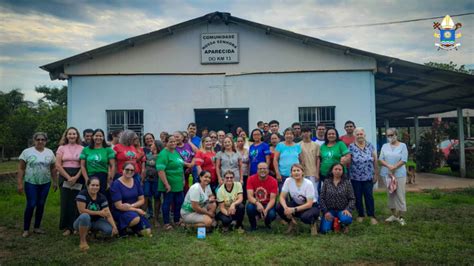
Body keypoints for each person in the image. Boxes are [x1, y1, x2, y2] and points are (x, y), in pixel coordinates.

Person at [18, 132, 57, 237]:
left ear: (45, 141)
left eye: (42, 139)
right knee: (31, 204)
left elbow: (53, 168)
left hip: (45, 183)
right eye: (38, 139)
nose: (40, 141)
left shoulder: (50, 152)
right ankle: (26, 229)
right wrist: (20, 183)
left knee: (41, 204)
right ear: (34, 140)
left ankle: (37, 227)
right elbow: (21, 168)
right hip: (31, 182)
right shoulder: (26, 152)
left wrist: (55, 181)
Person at [74, 177, 118, 251]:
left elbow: (107, 213)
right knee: (85, 216)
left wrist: (114, 227)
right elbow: (81, 211)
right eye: (93, 185)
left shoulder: (102, 197)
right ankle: (83, 240)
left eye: (97, 185)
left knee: (109, 231)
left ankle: (92, 232)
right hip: (82, 221)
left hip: (96, 221)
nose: (95, 187)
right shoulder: (82, 194)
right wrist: (99, 212)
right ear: (88, 186)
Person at [110, 163, 152, 237]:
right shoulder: (116, 184)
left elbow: (142, 200)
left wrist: (131, 206)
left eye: (132, 170)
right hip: (120, 211)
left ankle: (132, 228)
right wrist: (136, 210)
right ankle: (120, 228)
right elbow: (119, 206)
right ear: (122, 170)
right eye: (127, 169)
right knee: (135, 218)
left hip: (132, 210)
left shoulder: (136, 182)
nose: (129, 172)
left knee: (147, 232)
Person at [56, 127, 84, 236]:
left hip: (78, 175)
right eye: (70, 134)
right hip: (64, 176)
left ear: (77, 136)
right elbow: (58, 165)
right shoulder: (61, 148)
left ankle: (76, 226)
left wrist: (76, 177)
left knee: (77, 201)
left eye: (74, 134)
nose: (72, 136)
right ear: (66, 135)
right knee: (66, 202)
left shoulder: (82, 148)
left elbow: (83, 165)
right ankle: (67, 227)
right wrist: (68, 177)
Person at [277, 164, 319, 235]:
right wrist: (286, 208)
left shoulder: (308, 183)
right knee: (279, 207)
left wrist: (293, 210)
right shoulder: (288, 181)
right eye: (294, 171)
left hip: (311, 206)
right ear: (291, 173)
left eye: (298, 170)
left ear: (302, 172)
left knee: (305, 217)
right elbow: (281, 197)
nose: (296, 172)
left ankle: (313, 223)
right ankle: (291, 223)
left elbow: (309, 204)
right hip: (296, 204)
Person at [379, 128, 408, 226]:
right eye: (388, 135)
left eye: (392, 135)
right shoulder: (384, 146)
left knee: (400, 194)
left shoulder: (403, 146)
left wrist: (394, 167)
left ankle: (400, 217)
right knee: (390, 194)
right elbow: (381, 159)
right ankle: (394, 215)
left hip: (399, 174)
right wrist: (389, 166)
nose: (390, 137)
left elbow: (404, 159)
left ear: (396, 134)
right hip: (386, 174)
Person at [349, 127, 378, 225]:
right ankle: (361, 214)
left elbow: (375, 160)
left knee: (369, 196)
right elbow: (348, 160)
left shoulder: (370, 145)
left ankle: (371, 215)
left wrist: (376, 173)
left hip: (368, 176)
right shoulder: (351, 147)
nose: (359, 136)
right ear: (354, 136)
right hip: (355, 177)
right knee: (357, 196)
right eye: (357, 134)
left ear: (364, 135)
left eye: (361, 134)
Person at [156, 135, 185, 230]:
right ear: (166, 143)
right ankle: (166, 223)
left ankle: (177, 220)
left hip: (178, 183)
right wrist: (166, 184)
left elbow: (181, 166)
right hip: (168, 183)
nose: (173, 143)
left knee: (179, 202)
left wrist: (183, 179)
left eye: (174, 141)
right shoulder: (163, 154)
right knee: (167, 203)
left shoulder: (176, 152)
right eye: (170, 141)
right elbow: (160, 170)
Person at [320, 163, 355, 234]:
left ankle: (344, 224)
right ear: (332, 171)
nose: (337, 171)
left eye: (340, 169)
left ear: (342, 171)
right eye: (335, 169)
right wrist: (326, 212)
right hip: (329, 210)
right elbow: (321, 198)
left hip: (342, 210)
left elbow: (352, 198)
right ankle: (334, 222)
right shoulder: (326, 182)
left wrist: (348, 209)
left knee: (346, 219)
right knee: (325, 230)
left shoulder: (347, 183)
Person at [80, 129, 116, 196]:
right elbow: (82, 166)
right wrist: (86, 179)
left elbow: (113, 165)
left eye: (100, 136)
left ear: (103, 137)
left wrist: (110, 180)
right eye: (96, 136)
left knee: (103, 196)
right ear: (93, 137)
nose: (98, 137)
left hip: (103, 177)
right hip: (90, 176)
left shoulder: (108, 150)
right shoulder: (86, 149)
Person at [246, 162, 278, 231]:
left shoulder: (273, 181)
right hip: (256, 203)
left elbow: (273, 199)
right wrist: (257, 203)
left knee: (271, 214)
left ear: (268, 170)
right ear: (257, 170)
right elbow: (250, 196)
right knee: (249, 207)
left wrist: (266, 210)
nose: (262, 170)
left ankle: (267, 223)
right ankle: (253, 226)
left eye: (264, 168)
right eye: (260, 169)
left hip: (268, 204)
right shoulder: (251, 179)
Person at [319, 128, 351, 192]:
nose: (331, 135)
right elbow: (320, 159)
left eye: (333, 134)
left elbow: (348, 156)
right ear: (326, 135)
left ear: (336, 135)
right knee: (327, 193)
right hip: (325, 174)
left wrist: (345, 160)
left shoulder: (340, 144)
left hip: (338, 174)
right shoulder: (323, 146)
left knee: (340, 192)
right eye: (329, 134)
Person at [142, 133, 162, 226]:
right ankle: (142, 218)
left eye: (153, 143)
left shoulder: (161, 155)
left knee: (157, 198)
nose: (151, 145)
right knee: (145, 197)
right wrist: (142, 179)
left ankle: (156, 219)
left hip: (157, 180)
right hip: (147, 180)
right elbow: (144, 167)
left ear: (156, 146)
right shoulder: (148, 154)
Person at [299, 127, 320, 201]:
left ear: (311, 133)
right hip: (302, 173)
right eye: (304, 132)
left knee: (314, 192)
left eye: (307, 131)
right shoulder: (298, 145)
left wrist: (317, 173)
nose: (306, 133)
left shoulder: (316, 145)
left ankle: (315, 207)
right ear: (301, 133)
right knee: (303, 191)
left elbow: (318, 159)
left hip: (313, 172)